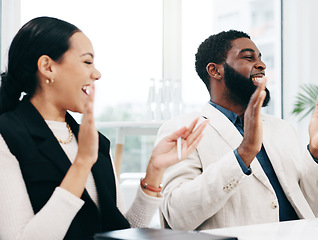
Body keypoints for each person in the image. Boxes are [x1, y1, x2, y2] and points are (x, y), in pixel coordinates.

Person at [0, 16, 208, 240]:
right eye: (87, 62)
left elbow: (120, 233)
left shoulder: (95, 142)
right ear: (48, 67)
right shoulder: (7, 136)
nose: (97, 74)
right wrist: (81, 164)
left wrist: (155, 171)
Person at [156, 30, 318, 231]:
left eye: (260, 58)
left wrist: (317, 151)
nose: (262, 65)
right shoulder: (183, 130)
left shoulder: (282, 128)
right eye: (248, 57)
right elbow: (177, 216)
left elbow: (312, 208)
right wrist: (243, 153)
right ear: (215, 70)